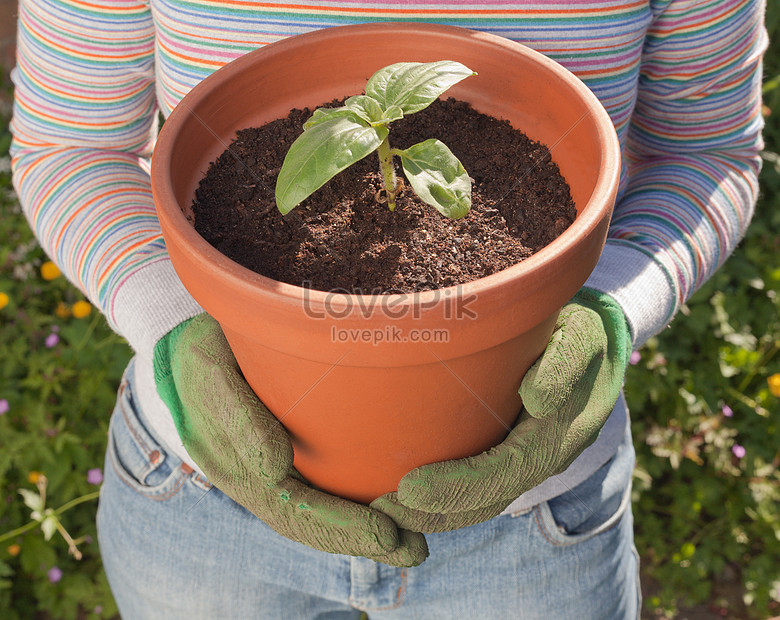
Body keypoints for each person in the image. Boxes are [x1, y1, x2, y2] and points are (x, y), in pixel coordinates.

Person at [10, 0, 766, 618]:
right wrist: (171, 325)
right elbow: (68, 145)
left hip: (533, 523)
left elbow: (707, 153)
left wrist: (614, 307)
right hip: (206, 500)